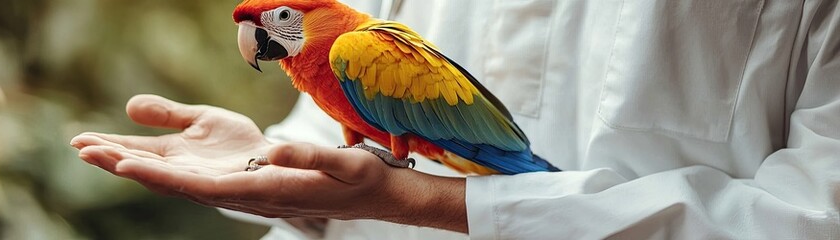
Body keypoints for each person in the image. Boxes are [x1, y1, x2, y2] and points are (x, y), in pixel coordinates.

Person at [70, 0, 840, 239]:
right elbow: (347, 154)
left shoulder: (356, 43)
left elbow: (813, 216)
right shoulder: (329, 54)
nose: (264, 30)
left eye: (277, 15)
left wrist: (443, 203)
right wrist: (270, 161)